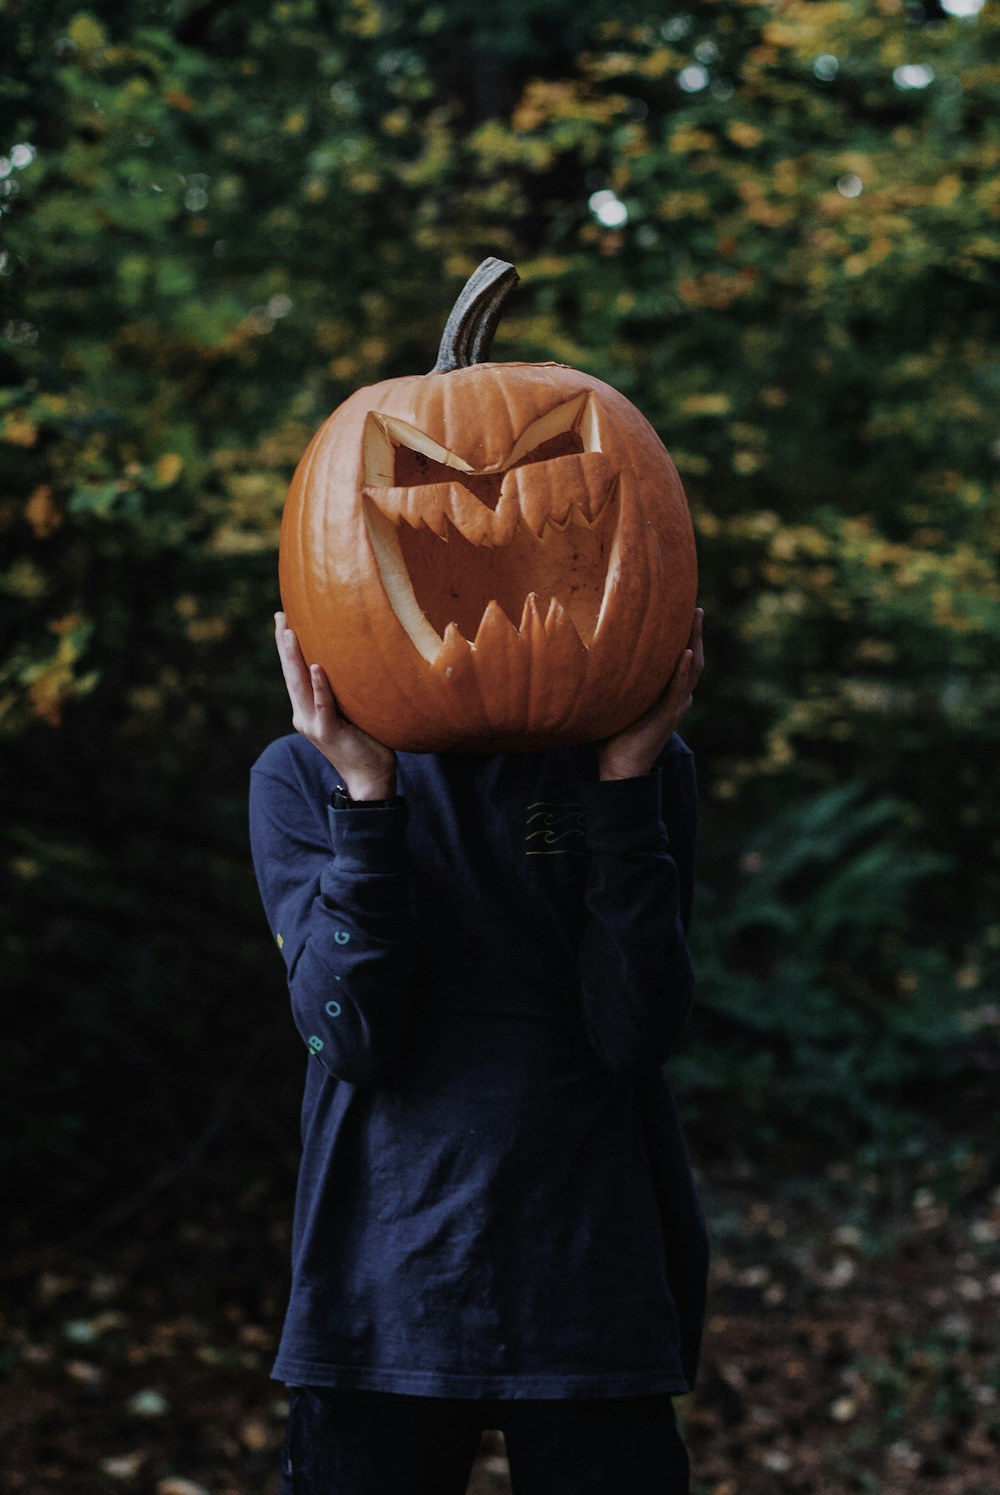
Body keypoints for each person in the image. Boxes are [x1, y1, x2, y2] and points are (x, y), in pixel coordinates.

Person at [249, 606, 708, 1495]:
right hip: (380, 1284)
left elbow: (636, 1033)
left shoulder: (634, 763)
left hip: (590, 1273)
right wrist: (368, 799)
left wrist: (624, 784)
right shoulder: (301, 773)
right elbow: (351, 1038)